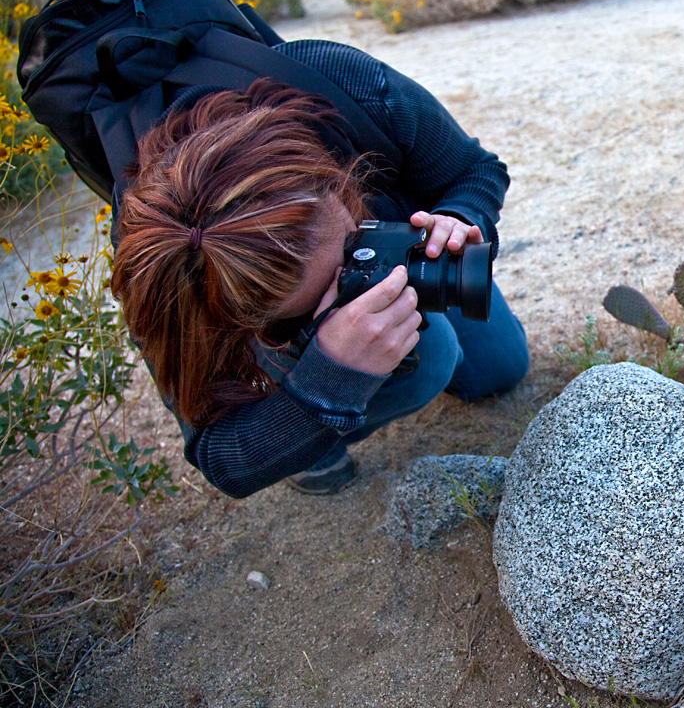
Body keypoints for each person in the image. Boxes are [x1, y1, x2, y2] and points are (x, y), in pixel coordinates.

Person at [109, 39, 528, 498]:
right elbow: (223, 462)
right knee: (431, 356)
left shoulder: (341, 87)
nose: (359, 279)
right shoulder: (166, 271)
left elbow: (476, 169)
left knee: (498, 369)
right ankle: (313, 439)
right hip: (261, 326)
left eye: (354, 246)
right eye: (335, 287)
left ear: (333, 180)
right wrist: (328, 380)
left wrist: (458, 218)